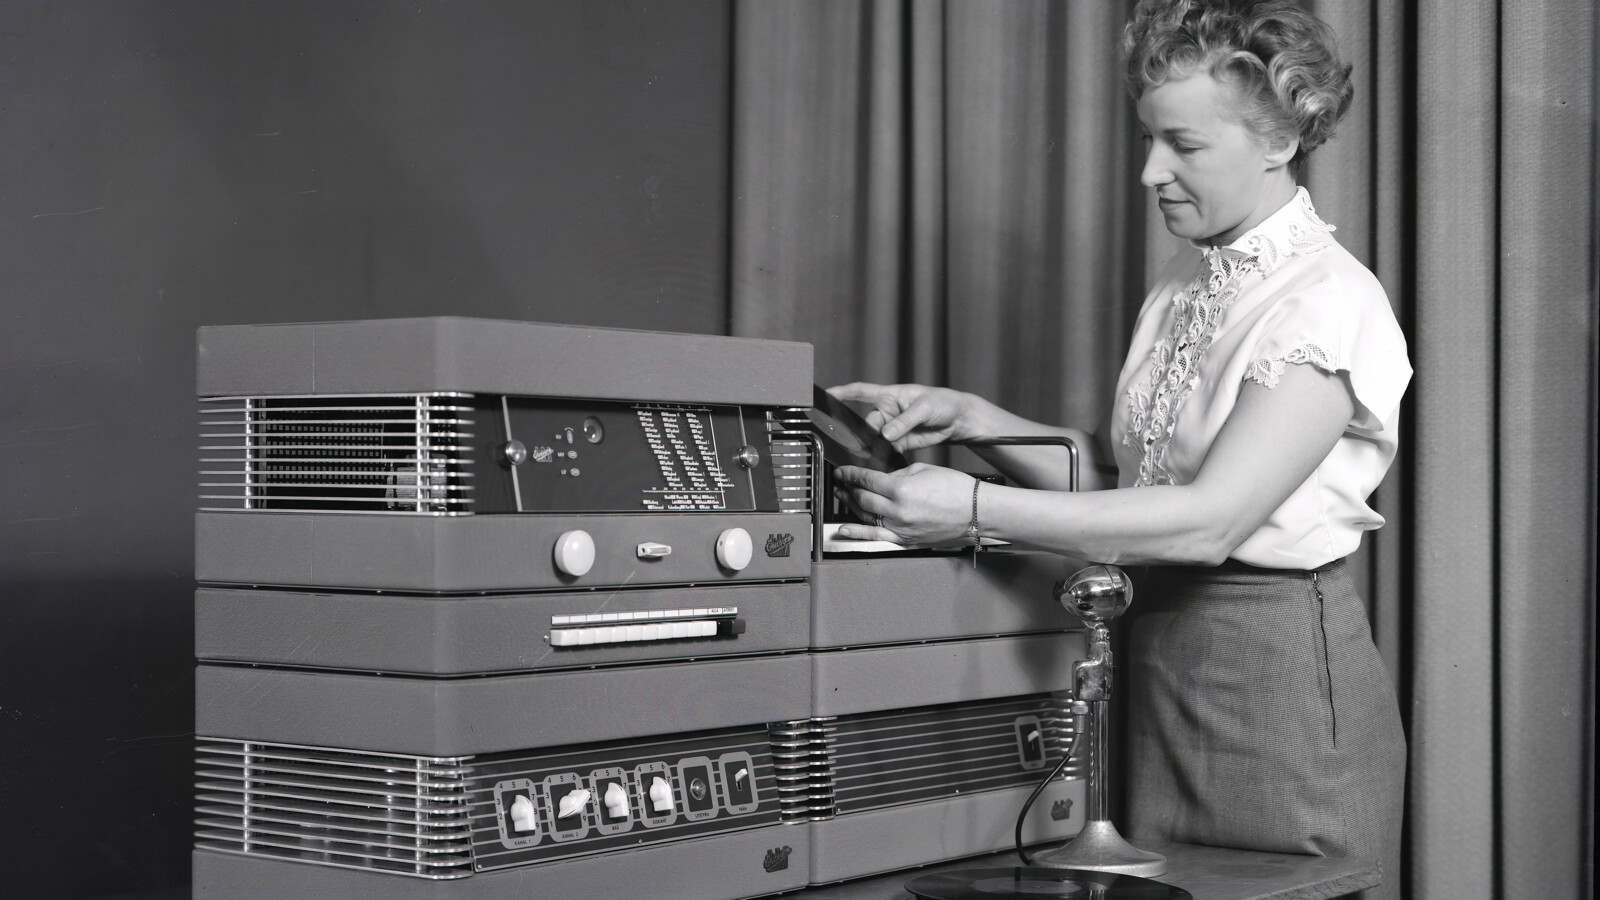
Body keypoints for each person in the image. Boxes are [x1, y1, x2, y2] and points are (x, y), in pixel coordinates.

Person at [827, 1, 1408, 897]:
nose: (1150, 172)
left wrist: (971, 508)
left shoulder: (1326, 303)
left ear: (1278, 141)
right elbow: (1131, 487)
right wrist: (978, 420)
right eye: (1147, 139)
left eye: (1182, 144)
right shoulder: (1186, 281)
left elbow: (1210, 521)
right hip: (1159, 662)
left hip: (1274, 684)